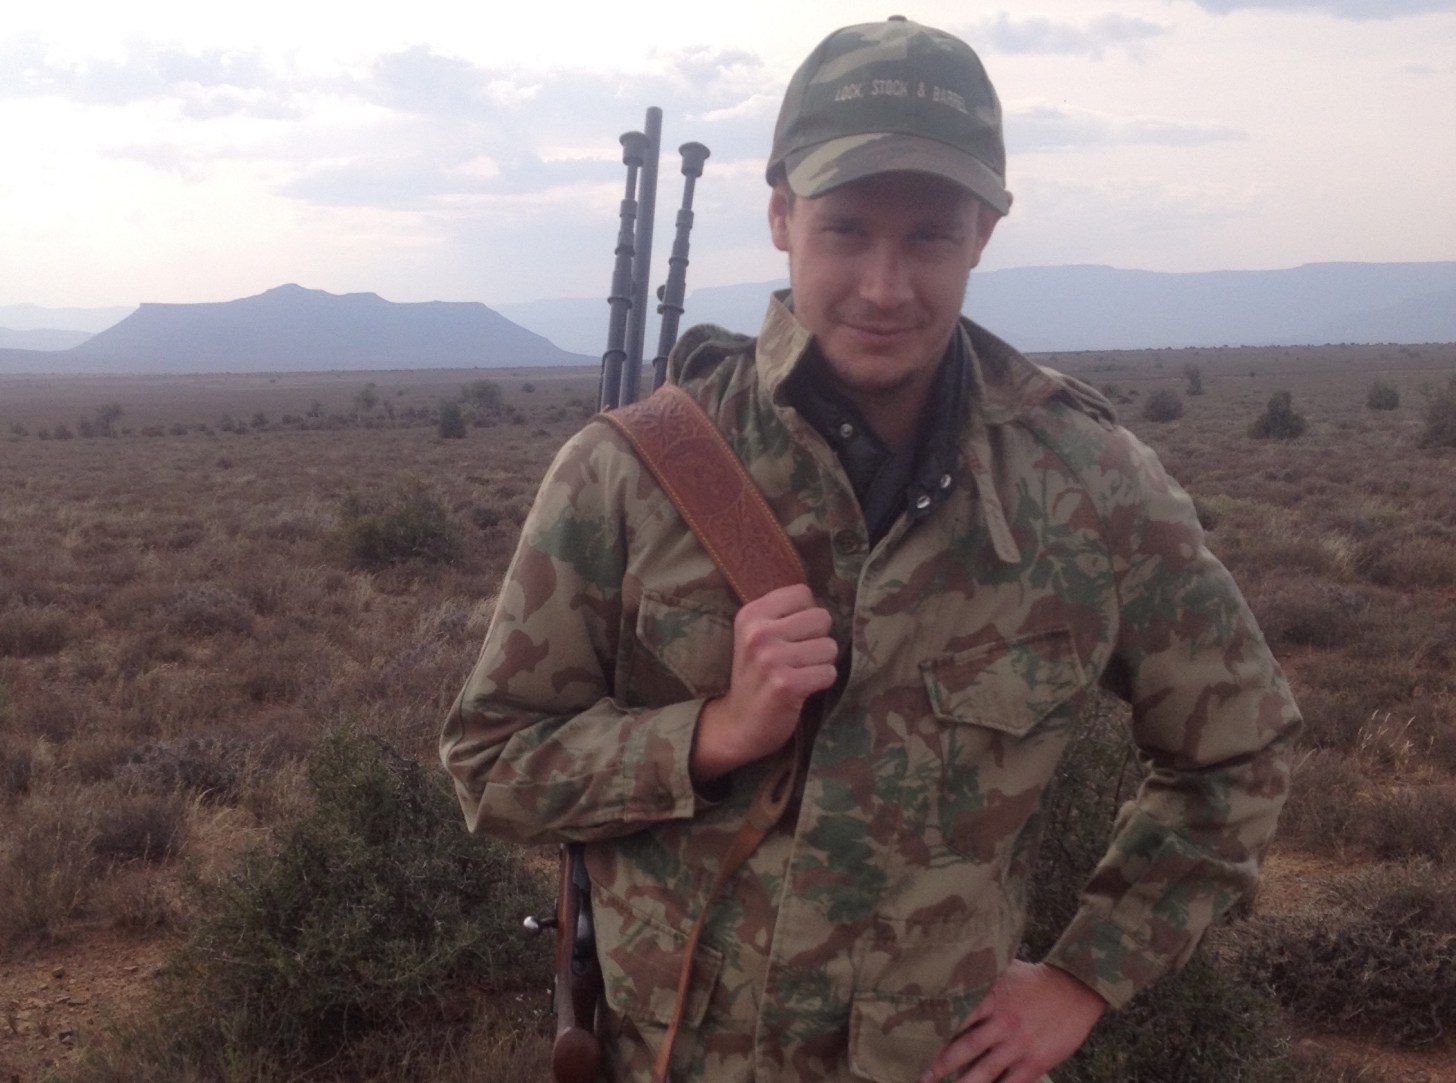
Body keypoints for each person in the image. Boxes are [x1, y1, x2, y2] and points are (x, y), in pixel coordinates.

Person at [442, 16, 1298, 1083]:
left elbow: (1240, 746)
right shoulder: (630, 470)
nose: (885, 287)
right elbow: (491, 761)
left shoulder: (1088, 485)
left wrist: (1084, 977)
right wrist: (709, 735)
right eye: (845, 229)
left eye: (930, 236)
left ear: (985, 231)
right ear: (780, 214)